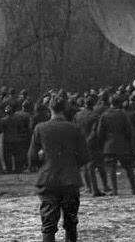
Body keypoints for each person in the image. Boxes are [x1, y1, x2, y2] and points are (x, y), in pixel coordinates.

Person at [27, 95, 88, 242]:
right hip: (70, 178)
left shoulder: (40, 128)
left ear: (49, 108)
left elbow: (32, 157)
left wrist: (42, 163)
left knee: (48, 225)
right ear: (65, 108)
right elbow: (85, 156)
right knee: (71, 223)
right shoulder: (75, 128)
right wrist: (72, 164)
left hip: (48, 179)